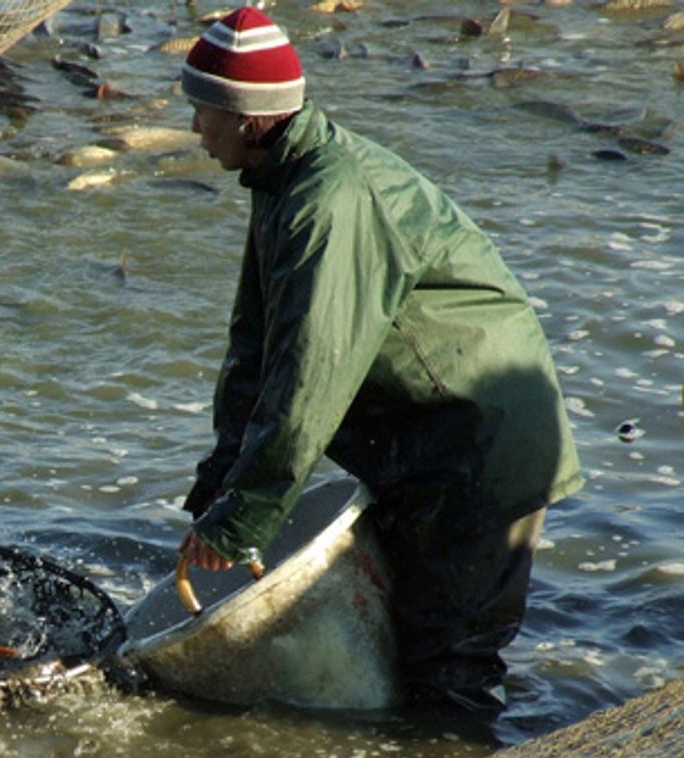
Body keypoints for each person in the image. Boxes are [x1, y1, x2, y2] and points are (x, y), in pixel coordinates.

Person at [174, 8, 583, 713]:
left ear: (246, 119)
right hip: (422, 445)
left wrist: (245, 521)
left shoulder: (328, 197)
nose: (192, 130)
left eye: (201, 112)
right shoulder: (281, 180)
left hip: (477, 447)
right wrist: (221, 481)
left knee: (448, 672)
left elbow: (308, 377)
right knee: (402, 652)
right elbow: (255, 346)